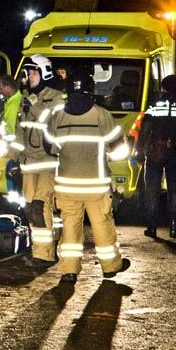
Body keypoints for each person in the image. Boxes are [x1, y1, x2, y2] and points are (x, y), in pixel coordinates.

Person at [44, 69, 131, 283]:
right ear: (90, 90)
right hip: (96, 186)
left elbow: (49, 148)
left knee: (70, 228)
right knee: (102, 226)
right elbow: (117, 147)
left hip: (67, 186)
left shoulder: (57, 116)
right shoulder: (102, 115)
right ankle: (110, 267)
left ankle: (69, 271)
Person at [7, 54, 64, 267]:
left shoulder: (57, 98)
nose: (29, 77)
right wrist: (12, 159)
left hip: (49, 162)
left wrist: (35, 106)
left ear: (44, 73)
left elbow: (54, 124)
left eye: (33, 73)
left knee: (41, 207)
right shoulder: (26, 99)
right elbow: (19, 132)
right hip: (29, 163)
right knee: (31, 208)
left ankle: (44, 255)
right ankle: (42, 248)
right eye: (28, 73)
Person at [137, 75, 176, 238]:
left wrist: (140, 149)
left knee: (152, 189)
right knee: (174, 190)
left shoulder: (154, 106)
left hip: (155, 151)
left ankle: (152, 227)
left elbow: (145, 129)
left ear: (163, 88)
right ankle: (173, 227)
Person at [0, 75, 23, 200]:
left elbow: (17, 130)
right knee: (10, 175)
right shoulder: (9, 102)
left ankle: (18, 205)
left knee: (14, 176)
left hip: (15, 147)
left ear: (8, 88)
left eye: (1, 88)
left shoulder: (17, 103)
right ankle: (14, 202)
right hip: (8, 147)